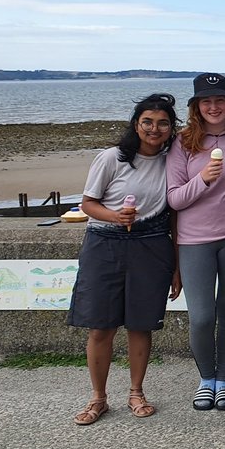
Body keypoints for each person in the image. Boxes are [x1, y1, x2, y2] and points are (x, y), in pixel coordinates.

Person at [68, 94, 182, 425]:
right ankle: (98, 397)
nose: (155, 129)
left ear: (171, 127)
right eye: (147, 121)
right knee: (101, 326)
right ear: (136, 124)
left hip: (151, 244)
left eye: (163, 123)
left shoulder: (171, 161)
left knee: (140, 323)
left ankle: (136, 392)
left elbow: (175, 215)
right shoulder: (111, 158)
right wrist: (115, 216)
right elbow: (87, 204)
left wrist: (177, 265)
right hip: (104, 243)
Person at [167, 74, 225, 412]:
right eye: (206, 101)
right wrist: (203, 180)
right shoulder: (182, 143)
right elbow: (175, 199)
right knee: (202, 317)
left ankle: (223, 381)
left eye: (220, 100)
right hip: (195, 241)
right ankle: (205, 378)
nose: (213, 106)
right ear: (196, 106)